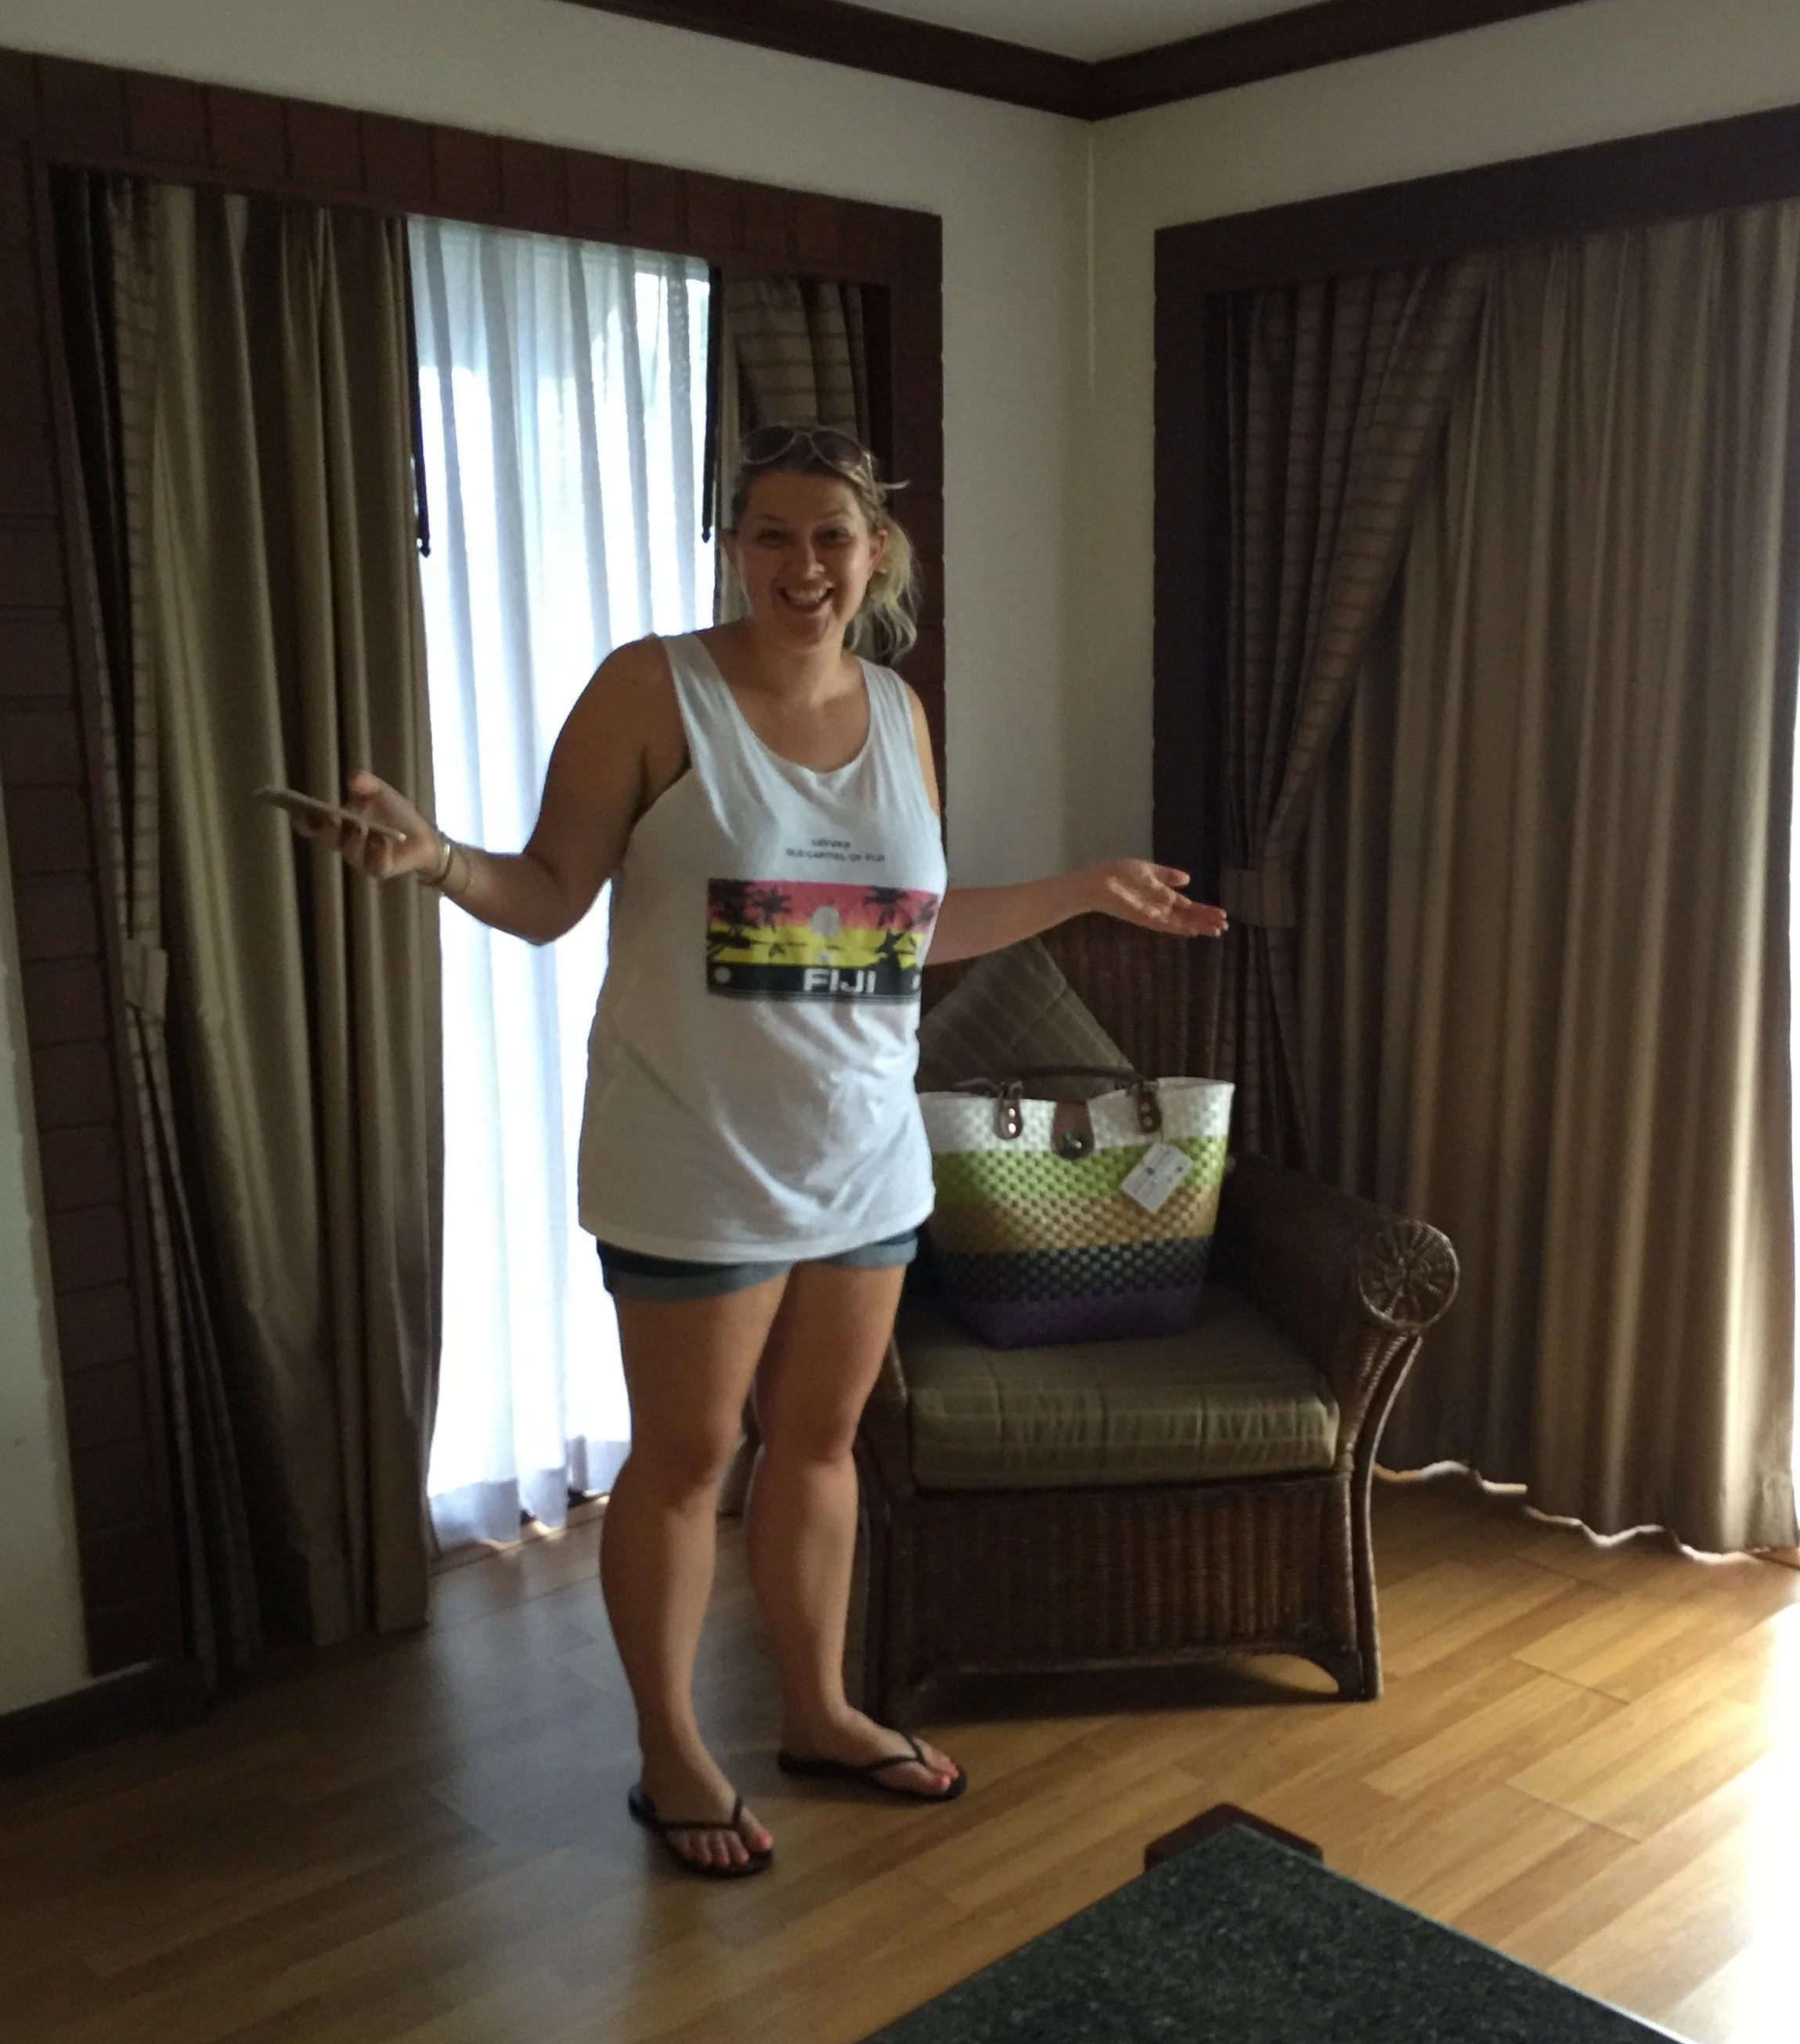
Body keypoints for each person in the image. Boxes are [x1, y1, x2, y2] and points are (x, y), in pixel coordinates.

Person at [302, 423, 1225, 1879]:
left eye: (832, 539)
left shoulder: (899, 707)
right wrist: (437, 863)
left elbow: (897, 937)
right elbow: (549, 894)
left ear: (877, 557)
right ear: (735, 549)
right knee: (681, 1465)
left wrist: (1084, 891)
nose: (803, 566)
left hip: (862, 1152)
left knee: (821, 1444)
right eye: (772, 537)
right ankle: (672, 1749)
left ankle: (818, 1711)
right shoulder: (651, 688)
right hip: (694, 1153)